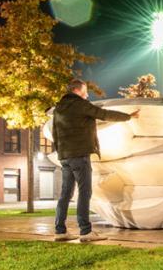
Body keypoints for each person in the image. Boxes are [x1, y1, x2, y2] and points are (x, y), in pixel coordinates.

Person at [52, 79, 139, 242]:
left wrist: (61, 153)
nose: (87, 94)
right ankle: (85, 232)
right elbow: (104, 114)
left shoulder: (59, 109)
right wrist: (128, 116)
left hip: (65, 156)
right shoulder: (81, 105)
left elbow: (55, 133)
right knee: (85, 192)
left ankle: (60, 231)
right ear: (78, 90)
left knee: (65, 194)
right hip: (80, 155)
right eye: (85, 91)